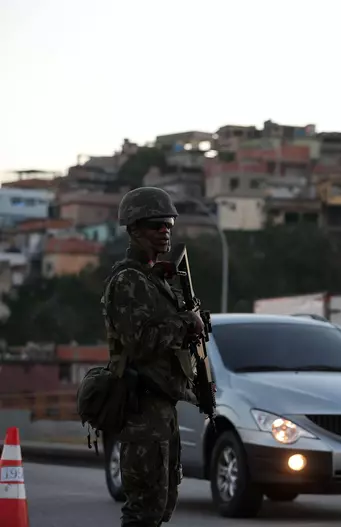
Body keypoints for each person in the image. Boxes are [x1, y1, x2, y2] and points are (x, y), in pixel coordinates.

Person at [103, 187, 205, 526]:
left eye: (169, 223)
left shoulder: (156, 279)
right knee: (144, 511)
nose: (165, 231)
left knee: (161, 505)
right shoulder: (128, 281)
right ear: (133, 229)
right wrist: (183, 323)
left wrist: (193, 325)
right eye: (154, 224)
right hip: (142, 409)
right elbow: (140, 341)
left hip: (163, 406)